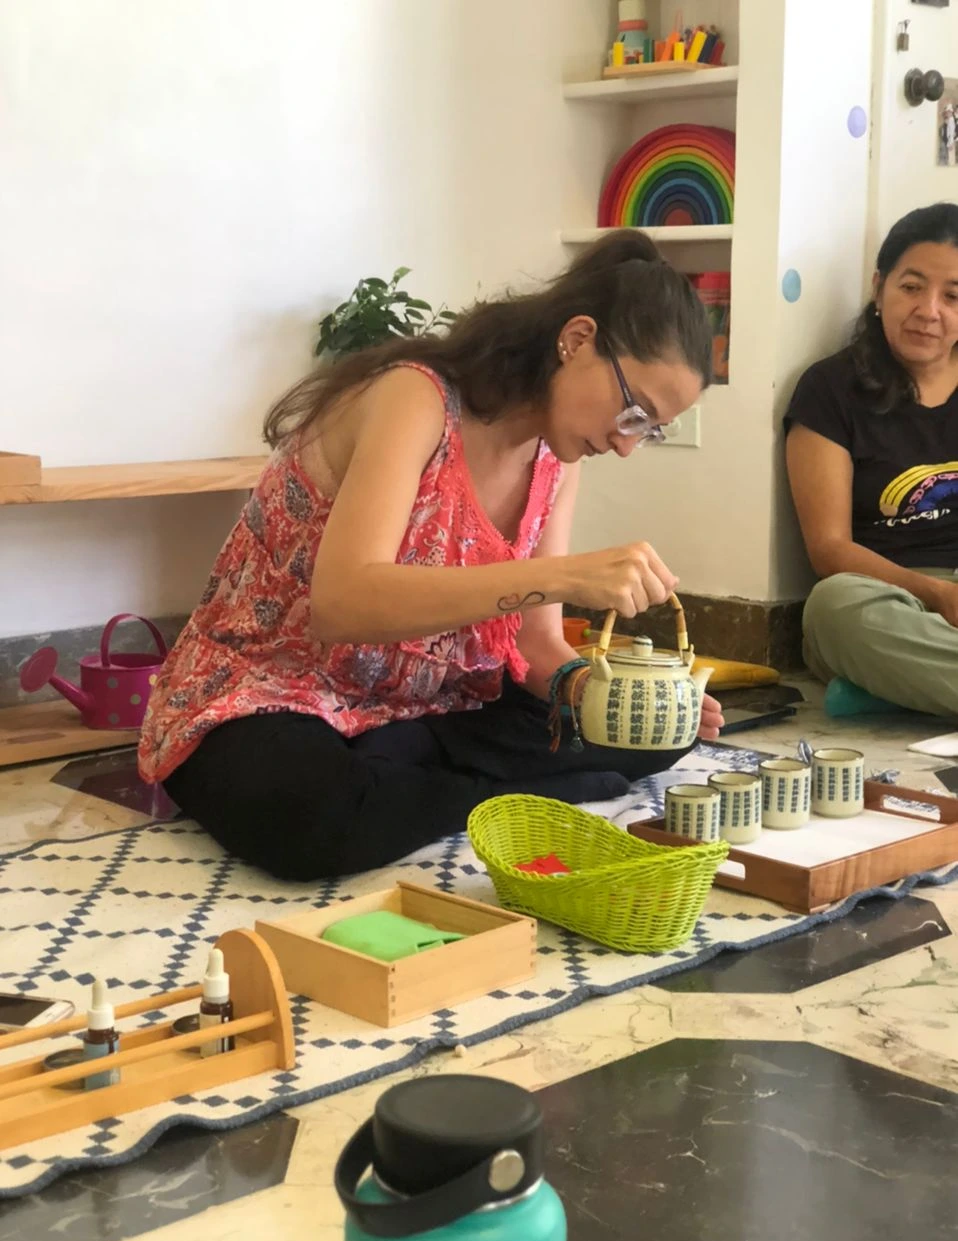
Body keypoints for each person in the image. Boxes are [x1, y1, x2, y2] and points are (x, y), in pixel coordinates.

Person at [139, 231, 724, 880]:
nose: (626, 444)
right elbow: (342, 604)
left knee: (652, 741)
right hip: (272, 694)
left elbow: (534, 645)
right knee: (313, 813)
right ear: (577, 339)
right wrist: (561, 576)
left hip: (429, 705)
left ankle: (416, 774)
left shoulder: (558, 456)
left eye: (649, 430)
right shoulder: (415, 398)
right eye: (634, 412)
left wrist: (606, 697)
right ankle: (499, 790)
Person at [785, 203, 958, 718]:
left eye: (953, 296)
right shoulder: (829, 389)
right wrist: (936, 595)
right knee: (832, 608)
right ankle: (897, 684)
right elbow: (829, 550)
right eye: (912, 287)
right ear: (879, 288)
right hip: (886, 598)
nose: (929, 310)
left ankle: (895, 690)